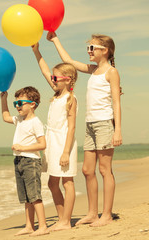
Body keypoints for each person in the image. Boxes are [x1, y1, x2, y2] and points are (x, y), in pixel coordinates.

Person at [47, 32, 123, 227]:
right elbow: (68, 60)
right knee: (87, 170)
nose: (88, 51)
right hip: (90, 125)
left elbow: (116, 101)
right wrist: (56, 39)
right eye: (88, 48)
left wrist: (118, 130)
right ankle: (92, 213)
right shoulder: (93, 69)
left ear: (104, 51)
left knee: (105, 170)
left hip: (105, 123)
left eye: (92, 48)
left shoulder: (111, 72)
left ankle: (106, 214)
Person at [31, 43, 78, 231]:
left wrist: (66, 152)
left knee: (67, 181)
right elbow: (44, 70)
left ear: (68, 80)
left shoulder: (70, 99)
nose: (52, 79)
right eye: (53, 77)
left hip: (64, 142)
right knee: (52, 182)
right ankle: (61, 218)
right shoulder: (56, 95)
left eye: (56, 77)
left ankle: (66, 221)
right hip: (51, 142)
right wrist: (36, 51)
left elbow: (72, 128)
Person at [0, 86, 49, 236]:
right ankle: (29, 226)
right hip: (19, 161)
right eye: (16, 104)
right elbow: (5, 117)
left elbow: (42, 144)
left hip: (31, 161)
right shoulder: (19, 120)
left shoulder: (36, 122)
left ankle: (43, 226)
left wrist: (22, 147)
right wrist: (3, 99)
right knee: (26, 197)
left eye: (20, 103)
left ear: (32, 104)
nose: (17, 107)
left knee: (35, 196)